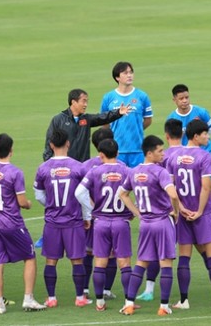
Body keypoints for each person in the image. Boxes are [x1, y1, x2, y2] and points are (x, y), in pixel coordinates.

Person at [165, 119, 211, 309]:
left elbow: (171, 187)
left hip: (183, 215)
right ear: (196, 136)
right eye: (205, 134)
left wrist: (181, 208)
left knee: (184, 257)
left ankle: (183, 301)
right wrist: (199, 211)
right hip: (204, 213)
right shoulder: (205, 156)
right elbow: (207, 187)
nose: (207, 137)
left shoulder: (173, 157)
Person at [0, 133, 45, 314]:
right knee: (30, 256)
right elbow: (21, 201)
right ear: (11, 150)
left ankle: (0, 304)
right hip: (11, 223)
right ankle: (28, 298)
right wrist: (29, 204)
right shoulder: (15, 172)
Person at [118, 135, 179, 316]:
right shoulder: (160, 172)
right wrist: (175, 212)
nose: (163, 154)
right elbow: (174, 195)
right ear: (149, 153)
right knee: (166, 263)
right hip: (161, 222)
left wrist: (137, 213)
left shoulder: (134, 171)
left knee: (141, 263)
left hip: (145, 223)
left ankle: (129, 303)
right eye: (160, 151)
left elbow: (122, 194)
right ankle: (164, 306)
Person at [34, 129, 90, 308]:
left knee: (51, 260)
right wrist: (86, 215)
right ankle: (80, 297)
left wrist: (50, 205)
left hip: (52, 222)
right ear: (68, 143)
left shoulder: (43, 168)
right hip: (73, 221)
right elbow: (84, 194)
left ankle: (51, 298)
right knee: (77, 260)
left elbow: (38, 196)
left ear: (51, 145)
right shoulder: (79, 167)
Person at [75, 138, 132, 312]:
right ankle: (128, 302)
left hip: (100, 222)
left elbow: (79, 192)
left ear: (101, 154)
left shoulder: (95, 172)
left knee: (100, 261)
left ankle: (99, 302)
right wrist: (134, 210)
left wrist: (93, 208)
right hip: (121, 221)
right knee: (124, 262)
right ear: (118, 153)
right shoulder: (127, 171)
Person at [135, 119, 184, 302]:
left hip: (160, 213)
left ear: (167, 135)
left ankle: (146, 291)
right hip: (181, 211)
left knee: (153, 253)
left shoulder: (160, 158)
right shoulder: (192, 153)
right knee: (201, 250)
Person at [78, 128, 120, 301]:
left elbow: (79, 191)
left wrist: (89, 210)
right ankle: (107, 290)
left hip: (91, 216)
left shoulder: (85, 166)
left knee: (88, 253)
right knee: (111, 254)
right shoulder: (120, 166)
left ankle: (86, 289)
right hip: (111, 215)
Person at [43, 88, 130, 162]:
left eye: (87, 101)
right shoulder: (58, 119)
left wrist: (118, 112)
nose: (86, 105)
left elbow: (102, 117)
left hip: (83, 165)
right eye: (83, 101)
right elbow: (49, 142)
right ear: (73, 102)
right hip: (66, 166)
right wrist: (48, 163)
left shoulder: (86, 119)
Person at [101, 62, 153, 168]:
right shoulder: (108, 97)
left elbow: (148, 120)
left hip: (138, 150)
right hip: (117, 151)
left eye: (131, 72)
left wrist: (136, 129)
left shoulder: (142, 96)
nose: (129, 75)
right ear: (117, 77)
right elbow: (104, 123)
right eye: (125, 73)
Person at [167, 84, 211, 154]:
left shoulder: (201, 112)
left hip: (206, 152)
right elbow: (172, 140)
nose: (185, 101)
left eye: (187, 97)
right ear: (174, 100)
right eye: (181, 99)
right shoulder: (172, 118)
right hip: (186, 155)